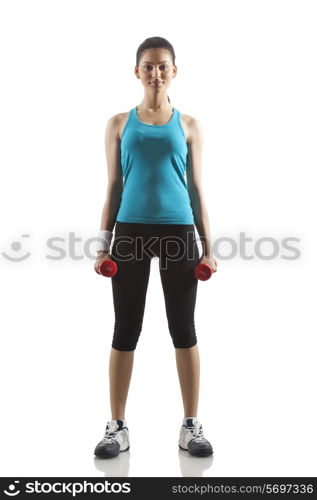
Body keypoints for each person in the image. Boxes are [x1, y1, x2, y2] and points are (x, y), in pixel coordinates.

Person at [93, 37, 217, 459]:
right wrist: (103, 243)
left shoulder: (189, 125)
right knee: (125, 330)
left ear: (174, 71)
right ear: (137, 71)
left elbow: (197, 188)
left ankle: (190, 426)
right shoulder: (117, 123)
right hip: (129, 232)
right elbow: (113, 186)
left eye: (163, 66)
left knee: (183, 330)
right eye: (148, 66)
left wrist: (208, 247)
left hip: (179, 231)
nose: (156, 73)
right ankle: (117, 427)